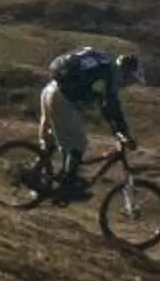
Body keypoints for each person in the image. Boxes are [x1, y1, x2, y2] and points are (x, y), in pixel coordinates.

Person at [39, 45, 142, 198]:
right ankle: (67, 186)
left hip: (50, 89)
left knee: (56, 136)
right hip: (61, 97)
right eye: (131, 80)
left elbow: (104, 105)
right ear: (126, 73)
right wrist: (124, 132)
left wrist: (117, 129)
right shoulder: (112, 75)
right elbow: (111, 105)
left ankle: (36, 171)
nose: (127, 85)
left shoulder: (104, 66)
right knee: (79, 143)